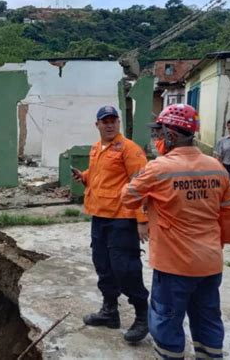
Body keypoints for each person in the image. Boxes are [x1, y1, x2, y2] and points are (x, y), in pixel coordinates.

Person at [121, 104, 230, 359]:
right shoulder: (217, 168)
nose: (158, 139)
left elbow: (127, 199)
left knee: (166, 321)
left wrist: (148, 194)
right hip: (209, 263)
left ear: (171, 135)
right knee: (207, 319)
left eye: (159, 133)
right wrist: (218, 243)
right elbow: (229, 215)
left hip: (174, 265)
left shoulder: (159, 168)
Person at [72, 105, 149, 343]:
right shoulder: (97, 148)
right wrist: (84, 177)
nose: (109, 124)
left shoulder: (130, 149)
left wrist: (143, 221)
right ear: (97, 125)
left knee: (124, 268)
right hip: (100, 217)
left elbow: (142, 185)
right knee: (103, 265)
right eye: (105, 121)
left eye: (113, 121)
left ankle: (142, 316)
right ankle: (110, 311)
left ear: (118, 124)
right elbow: (99, 176)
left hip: (122, 219)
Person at [214, 116, 230, 186]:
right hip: (227, 168)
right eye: (229, 128)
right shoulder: (222, 141)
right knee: (228, 187)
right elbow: (219, 157)